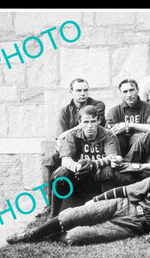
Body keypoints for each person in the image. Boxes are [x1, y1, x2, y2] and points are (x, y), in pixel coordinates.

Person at [6, 156, 150, 246]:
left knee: (75, 237)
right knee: (73, 214)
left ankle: (50, 234)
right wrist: (95, 199)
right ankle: (30, 235)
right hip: (123, 204)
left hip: (133, 225)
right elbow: (124, 190)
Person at [41, 78, 106, 214]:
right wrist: (63, 139)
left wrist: (68, 132)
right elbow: (60, 137)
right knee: (50, 159)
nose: (83, 93)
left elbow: (89, 124)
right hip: (72, 147)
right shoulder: (64, 111)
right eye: (78, 90)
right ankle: (50, 204)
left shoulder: (97, 105)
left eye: (85, 90)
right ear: (71, 92)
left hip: (92, 145)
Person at [49, 105, 120, 217]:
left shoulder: (108, 135)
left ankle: (108, 213)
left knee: (108, 170)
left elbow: (112, 157)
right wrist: (77, 167)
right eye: (86, 122)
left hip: (98, 179)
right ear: (80, 122)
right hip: (79, 179)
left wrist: (94, 165)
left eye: (93, 121)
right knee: (61, 172)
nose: (90, 126)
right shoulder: (73, 135)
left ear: (99, 121)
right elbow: (65, 160)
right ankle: (53, 214)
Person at [106, 78, 150, 157]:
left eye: (131, 90)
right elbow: (109, 133)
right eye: (125, 91)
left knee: (139, 137)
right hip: (121, 147)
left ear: (138, 90)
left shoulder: (149, 108)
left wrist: (129, 125)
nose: (129, 95)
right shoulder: (115, 111)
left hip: (143, 148)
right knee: (116, 138)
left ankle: (128, 163)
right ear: (120, 93)